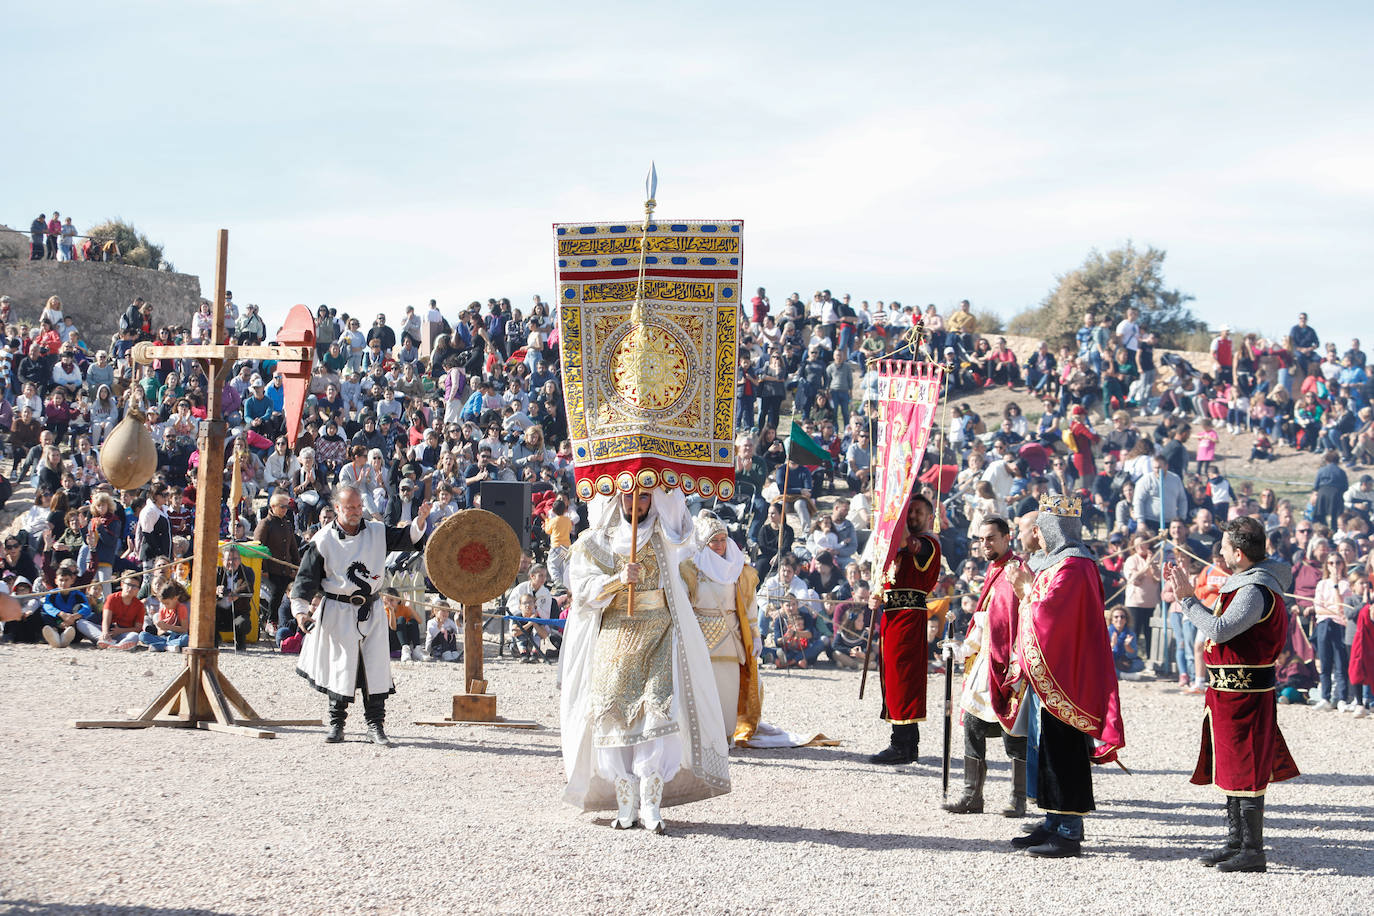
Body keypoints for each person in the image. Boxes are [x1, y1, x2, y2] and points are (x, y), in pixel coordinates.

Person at [559, 489, 730, 833]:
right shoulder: (595, 541)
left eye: (644, 499)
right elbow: (582, 590)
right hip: (614, 636)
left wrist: (669, 494)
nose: (636, 505)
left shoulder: (664, 536)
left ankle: (651, 804)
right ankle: (626, 804)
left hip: (659, 632)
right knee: (613, 716)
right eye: (629, 498)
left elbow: (686, 535)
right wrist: (616, 580)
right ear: (616, 498)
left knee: (656, 715)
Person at [1165, 516, 1301, 873]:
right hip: (1227, 695)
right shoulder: (1245, 584)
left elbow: (1220, 630)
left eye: (1225, 547)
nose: (1221, 552)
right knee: (1230, 766)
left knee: (1248, 767)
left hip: (1247, 698)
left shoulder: (1255, 590)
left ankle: (1253, 850)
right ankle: (1235, 841)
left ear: (1239, 554)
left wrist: (1187, 600)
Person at [1005, 495, 1125, 858]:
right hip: (1052, 672)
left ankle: (1069, 829)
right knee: (1046, 749)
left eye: (1042, 529)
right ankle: (1053, 818)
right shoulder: (1056, 564)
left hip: (1070, 674)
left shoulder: (1075, 566)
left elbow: (1051, 614)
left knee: (1066, 749)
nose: (1037, 535)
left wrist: (1025, 589)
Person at [291, 482, 431, 747]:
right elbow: (305, 580)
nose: (355, 512)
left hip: (372, 608)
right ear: (336, 508)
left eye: (358, 506)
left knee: (375, 668)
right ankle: (337, 724)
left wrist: (420, 520)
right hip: (337, 609)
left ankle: (375, 726)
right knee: (340, 666)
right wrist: (300, 612)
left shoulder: (377, 531)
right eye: (349, 507)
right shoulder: (322, 540)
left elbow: (407, 539)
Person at [944, 517, 1029, 817]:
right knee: (972, 725)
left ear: (1007, 538)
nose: (985, 544)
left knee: (1013, 731)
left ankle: (1018, 798)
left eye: (991, 538)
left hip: (1009, 663)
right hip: (985, 661)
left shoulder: (1016, 571)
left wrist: (1016, 662)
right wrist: (964, 647)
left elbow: (1018, 620)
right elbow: (986, 618)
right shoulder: (993, 570)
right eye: (981, 539)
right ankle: (972, 795)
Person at [869, 494, 941, 765]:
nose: (912, 517)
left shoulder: (928, 543)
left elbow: (903, 542)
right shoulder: (903, 547)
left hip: (909, 617)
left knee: (904, 680)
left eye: (918, 512)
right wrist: (877, 593)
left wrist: (891, 516)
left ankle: (901, 745)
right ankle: (908, 744)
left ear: (930, 517)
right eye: (909, 513)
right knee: (895, 679)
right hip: (893, 615)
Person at [681, 515, 762, 744]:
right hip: (699, 637)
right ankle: (702, 737)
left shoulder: (738, 569)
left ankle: (725, 737)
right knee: (701, 689)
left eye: (723, 539)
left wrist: (755, 636)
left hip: (731, 636)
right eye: (713, 541)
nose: (719, 545)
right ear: (703, 543)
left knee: (727, 689)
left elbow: (749, 606)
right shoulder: (690, 569)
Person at [215, 544, 256, 653]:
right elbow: (207, 587)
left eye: (235, 559)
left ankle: (240, 644)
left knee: (242, 623)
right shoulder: (217, 572)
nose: (231, 562)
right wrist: (216, 590)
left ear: (240, 559)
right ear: (223, 560)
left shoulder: (247, 571)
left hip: (239, 612)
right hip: (219, 612)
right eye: (228, 559)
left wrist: (234, 594)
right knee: (208, 617)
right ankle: (214, 642)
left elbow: (248, 586)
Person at [99, 576, 146, 650]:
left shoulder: (139, 605)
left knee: (135, 636)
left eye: (134, 586)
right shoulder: (112, 598)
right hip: (109, 630)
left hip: (125, 632)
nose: (130, 588)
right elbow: (106, 619)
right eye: (128, 584)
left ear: (138, 589)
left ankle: (118, 645)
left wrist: (120, 631)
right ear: (122, 584)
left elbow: (138, 628)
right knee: (82, 623)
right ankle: (105, 640)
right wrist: (105, 632)